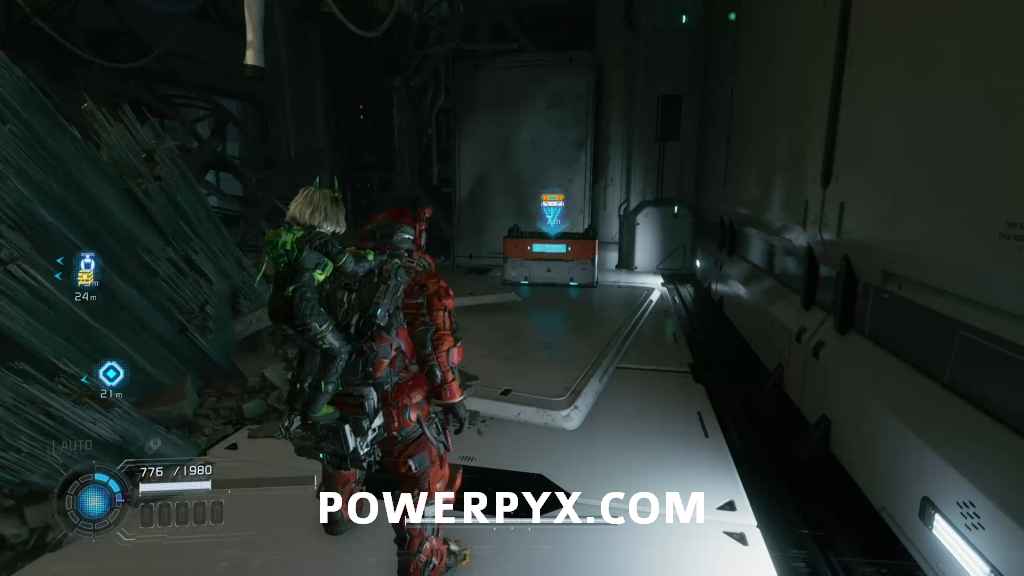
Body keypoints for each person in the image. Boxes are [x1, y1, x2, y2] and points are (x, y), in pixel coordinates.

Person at [262, 181, 377, 423]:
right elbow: (353, 269)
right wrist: (374, 259)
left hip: (278, 307)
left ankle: (295, 403)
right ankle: (316, 408)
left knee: (311, 350)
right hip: (305, 309)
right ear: (328, 213)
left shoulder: (286, 235)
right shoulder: (320, 239)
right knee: (340, 351)